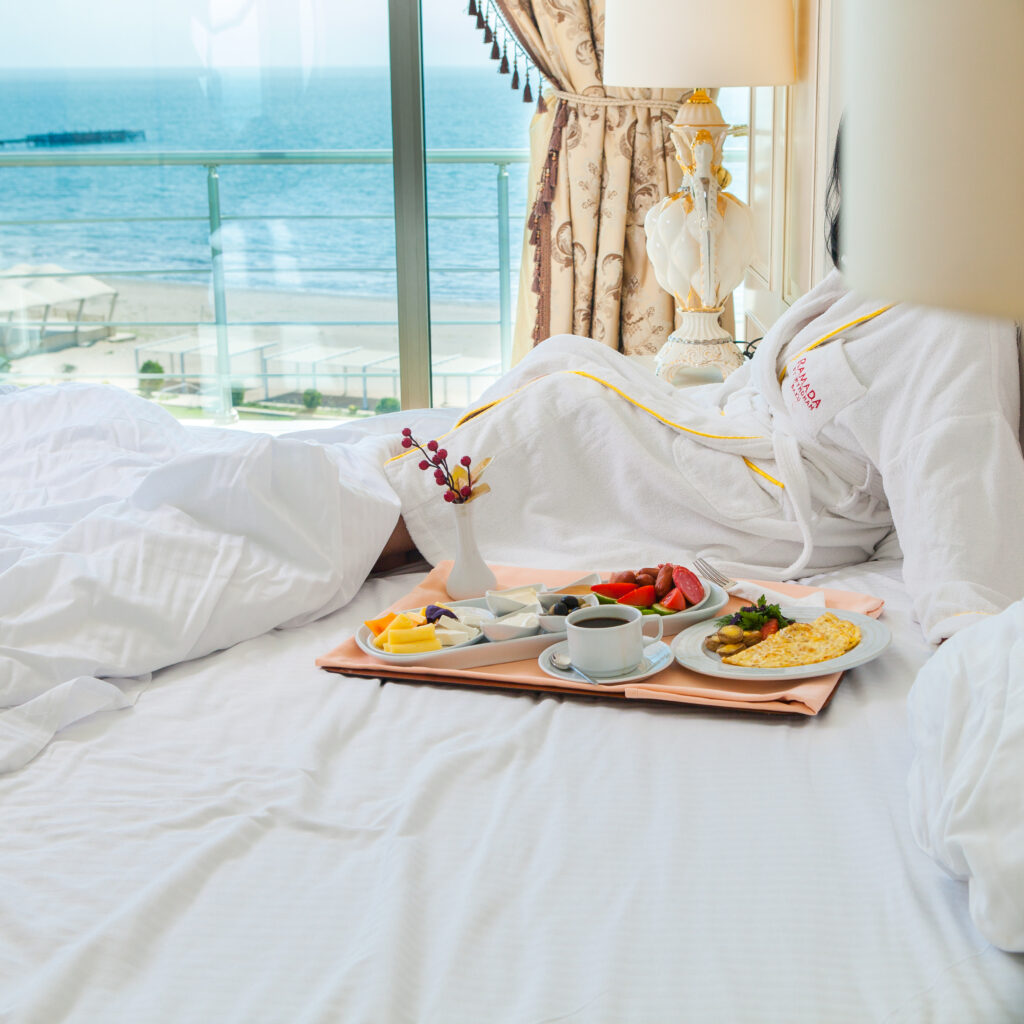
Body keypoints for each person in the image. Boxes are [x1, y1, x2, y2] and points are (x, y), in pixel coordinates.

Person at [376, 131, 1024, 645]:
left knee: (567, 409)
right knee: (564, 360)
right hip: (731, 443)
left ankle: (382, 526)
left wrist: (968, 629)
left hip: (757, 507)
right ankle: (404, 503)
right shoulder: (884, 275)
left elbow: (957, 469)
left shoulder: (958, 319)